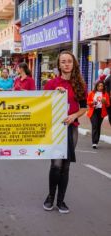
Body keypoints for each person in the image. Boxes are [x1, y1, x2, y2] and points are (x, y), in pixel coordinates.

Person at [43, 51, 87, 214]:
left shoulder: (80, 85)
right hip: (55, 129)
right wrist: (55, 95)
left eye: (69, 61)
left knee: (66, 166)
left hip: (71, 128)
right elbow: (41, 106)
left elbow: (83, 107)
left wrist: (74, 116)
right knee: (56, 164)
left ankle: (61, 201)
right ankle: (50, 197)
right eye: (63, 62)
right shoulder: (51, 84)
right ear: (59, 65)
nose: (66, 64)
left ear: (74, 64)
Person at [87, 81, 110, 149]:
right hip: (93, 111)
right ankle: (94, 142)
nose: (100, 87)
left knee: (98, 126)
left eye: (102, 86)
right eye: (99, 86)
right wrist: (92, 102)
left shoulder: (105, 94)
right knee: (95, 125)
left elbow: (108, 104)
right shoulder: (92, 93)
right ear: (96, 86)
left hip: (101, 111)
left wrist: (105, 102)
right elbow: (88, 102)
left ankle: (96, 141)